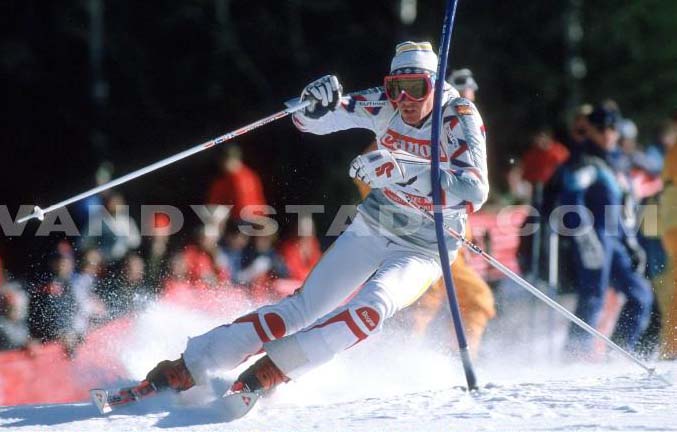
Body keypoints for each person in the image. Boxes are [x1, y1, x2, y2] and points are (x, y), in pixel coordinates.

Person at [143, 41, 488, 397]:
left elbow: (475, 190)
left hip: (426, 245)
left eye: (416, 88)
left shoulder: (458, 114)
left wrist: (407, 171)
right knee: (301, 308)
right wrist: (312, 106)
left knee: (370, 309)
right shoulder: (386, 103)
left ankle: (273, 371)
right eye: (395, 88)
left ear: (434, 82)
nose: (405, 99)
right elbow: (313, 122)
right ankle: (190, 366)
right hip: (375, 225)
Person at [558, 106, 653, 355]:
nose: (608, 134)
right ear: (589, 130)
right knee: (593, 297)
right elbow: (570, 199)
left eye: (612, 128)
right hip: (594, 237)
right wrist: (584, 236)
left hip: (617, 240)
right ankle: (574, 357)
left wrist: (632, 242)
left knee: (641, 294)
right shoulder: (583, 160)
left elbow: (626, 207)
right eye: (601, 129)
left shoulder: (618, 161)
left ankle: (619, 353)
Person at [206, 145, 267, 220]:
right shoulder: (221, 182)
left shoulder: (246, 177)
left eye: (226, 160)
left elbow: (244, 208)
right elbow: (213, 204)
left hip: (252, 220)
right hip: (236, 221)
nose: (223, 164)